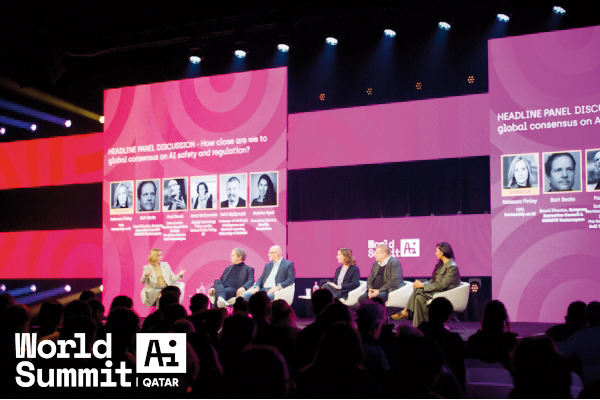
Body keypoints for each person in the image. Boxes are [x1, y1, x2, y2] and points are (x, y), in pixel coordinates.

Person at [392, 242, 460, 327]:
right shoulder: (440, 265)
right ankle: (420, 326)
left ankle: (406, 311)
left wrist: (422, 286)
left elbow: (442, 285)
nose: (435, 253)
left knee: (419, 290)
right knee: (419, 298)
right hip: (437, 290)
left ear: (442, 252)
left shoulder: (452, 266)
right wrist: (420, 284)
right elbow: (432, 281)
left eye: (437, 251)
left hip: (445, 292)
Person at [465, 299, 518, 368]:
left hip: (478, 378)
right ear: (503, 319)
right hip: (503, 378)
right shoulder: (510, 341)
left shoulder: (473, 340)